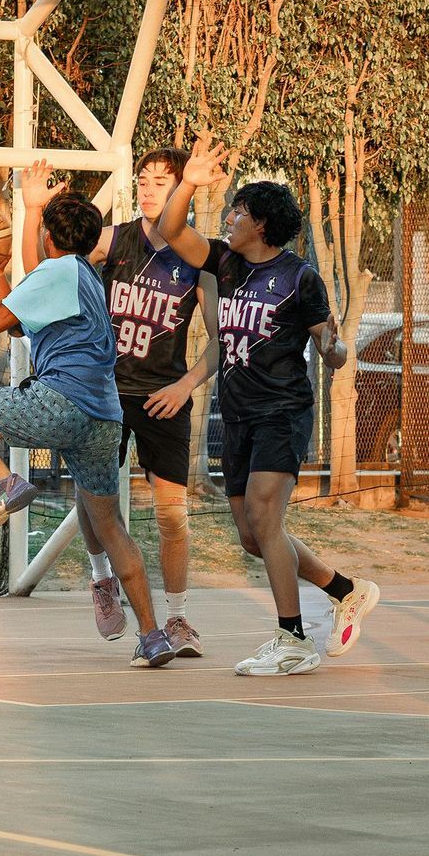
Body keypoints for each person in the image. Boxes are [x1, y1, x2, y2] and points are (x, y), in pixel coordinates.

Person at [157, 138, 378, 677]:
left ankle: (293, 638)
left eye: (238, 211)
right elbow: (170, 230)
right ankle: (345, 590)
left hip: (282, 410)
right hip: (237, 414)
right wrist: (188, 180)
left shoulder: (299, 277)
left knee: (264, 514)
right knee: (255, 538)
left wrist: (334, 347)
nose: (229, 217)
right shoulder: (225, 262)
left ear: (260, 223)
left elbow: (334, 349)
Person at [0, 188, 178, 669]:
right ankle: (152, 636)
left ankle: (4, 481)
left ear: (49, 237)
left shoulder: (57, 270)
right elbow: (17, 322)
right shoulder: (85, 274)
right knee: (109, 525)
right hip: (104, 417)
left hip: (60, 402)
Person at [21, 153, 213, 654]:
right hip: (103, 392)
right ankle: (102, 578)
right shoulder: (112, 238)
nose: (147, 190)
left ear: (181, 189)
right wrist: (35, 208)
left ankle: (176, 618)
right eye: (142, 181)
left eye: (159, 182)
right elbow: (45, 272)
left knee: (172, 514)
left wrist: (185, 384)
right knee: (94, 496)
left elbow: (217, 341)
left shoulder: (198, 256)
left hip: (163, 395)